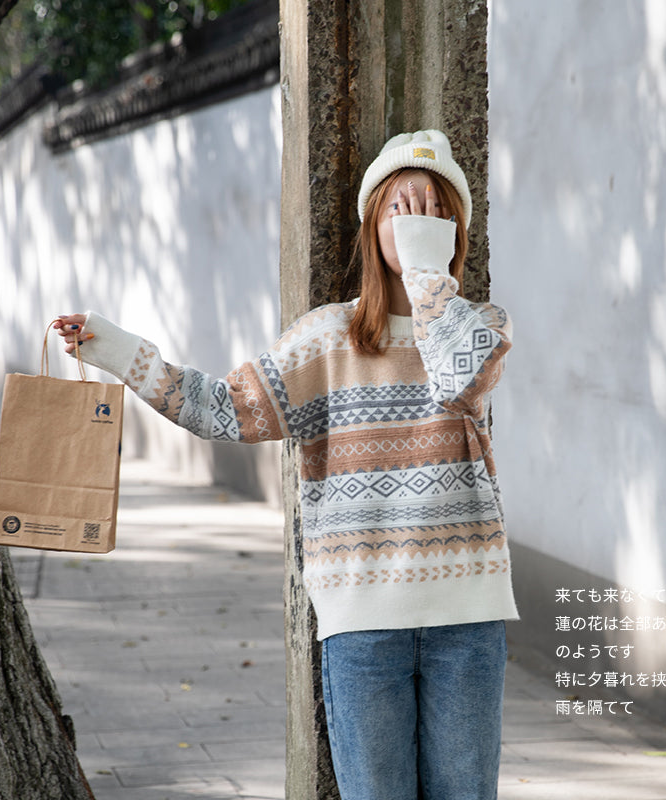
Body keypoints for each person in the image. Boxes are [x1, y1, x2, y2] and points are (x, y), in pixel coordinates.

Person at [56, 129, 518, 800]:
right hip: (363, 624)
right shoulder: (325, 340)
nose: (417, 221)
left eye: (435, 211)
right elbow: (221, 409)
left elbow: (458, 380)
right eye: (401, 207)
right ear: (371, 225)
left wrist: (426, 275)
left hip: (468, 617)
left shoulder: (481, 327)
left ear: (454, 234)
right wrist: (113, 347)